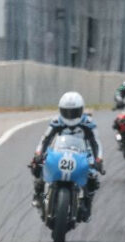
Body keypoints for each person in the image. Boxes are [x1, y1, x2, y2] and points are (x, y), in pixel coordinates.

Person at [28, 91, 104, 219]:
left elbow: (96, 142)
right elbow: (45, 139)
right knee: (38, 166)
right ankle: (38, 194)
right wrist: (38, 154)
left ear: (81, 110)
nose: (70, 116)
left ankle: (87, 202)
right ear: (61, 110)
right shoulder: (56, 121)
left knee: (93, 176)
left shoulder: (88, 123)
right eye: (67, 112)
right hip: (59, 151)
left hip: (83, 153)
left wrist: (98, 160)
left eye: (74, 112)